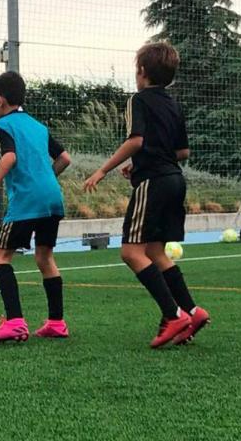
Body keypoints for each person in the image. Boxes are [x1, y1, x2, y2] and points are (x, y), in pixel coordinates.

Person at [82, 41, 210, 348]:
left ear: (141, 72)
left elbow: (136, 139)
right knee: (155, 252)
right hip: (174, 181)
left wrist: (103, 170)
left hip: (153, 182)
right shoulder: (173, 104)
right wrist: (137, 163)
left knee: (130, 252)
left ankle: (173, 314)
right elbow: (182, 151)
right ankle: (192, 311)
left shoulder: (138, 100)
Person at [0, 71, 72, 344]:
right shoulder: (38, 126)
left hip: (26, 201)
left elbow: (9, 157)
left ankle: (14, 322)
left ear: (1, 101)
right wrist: (44, 179)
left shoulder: (2, 125)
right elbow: (64, 158)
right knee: (45, 258)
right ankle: (56, 322)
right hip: (52, 199)